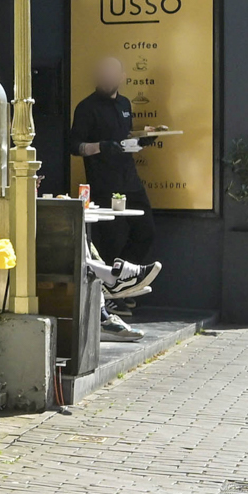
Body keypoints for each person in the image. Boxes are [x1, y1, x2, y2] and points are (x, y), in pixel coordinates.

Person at [70, 56, 164, 339]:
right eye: (103, 72)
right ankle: (111, 296)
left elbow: (125, 142)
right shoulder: (86, 107)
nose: (107, 77)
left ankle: (118, 285)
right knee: (110, 240)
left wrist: (141, 141)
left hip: (129, 179)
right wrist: (101, 147)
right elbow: (75, 146)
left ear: (122, 77)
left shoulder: (124, 104)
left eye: (112, 73)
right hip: (103, 183)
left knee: (146, 231)